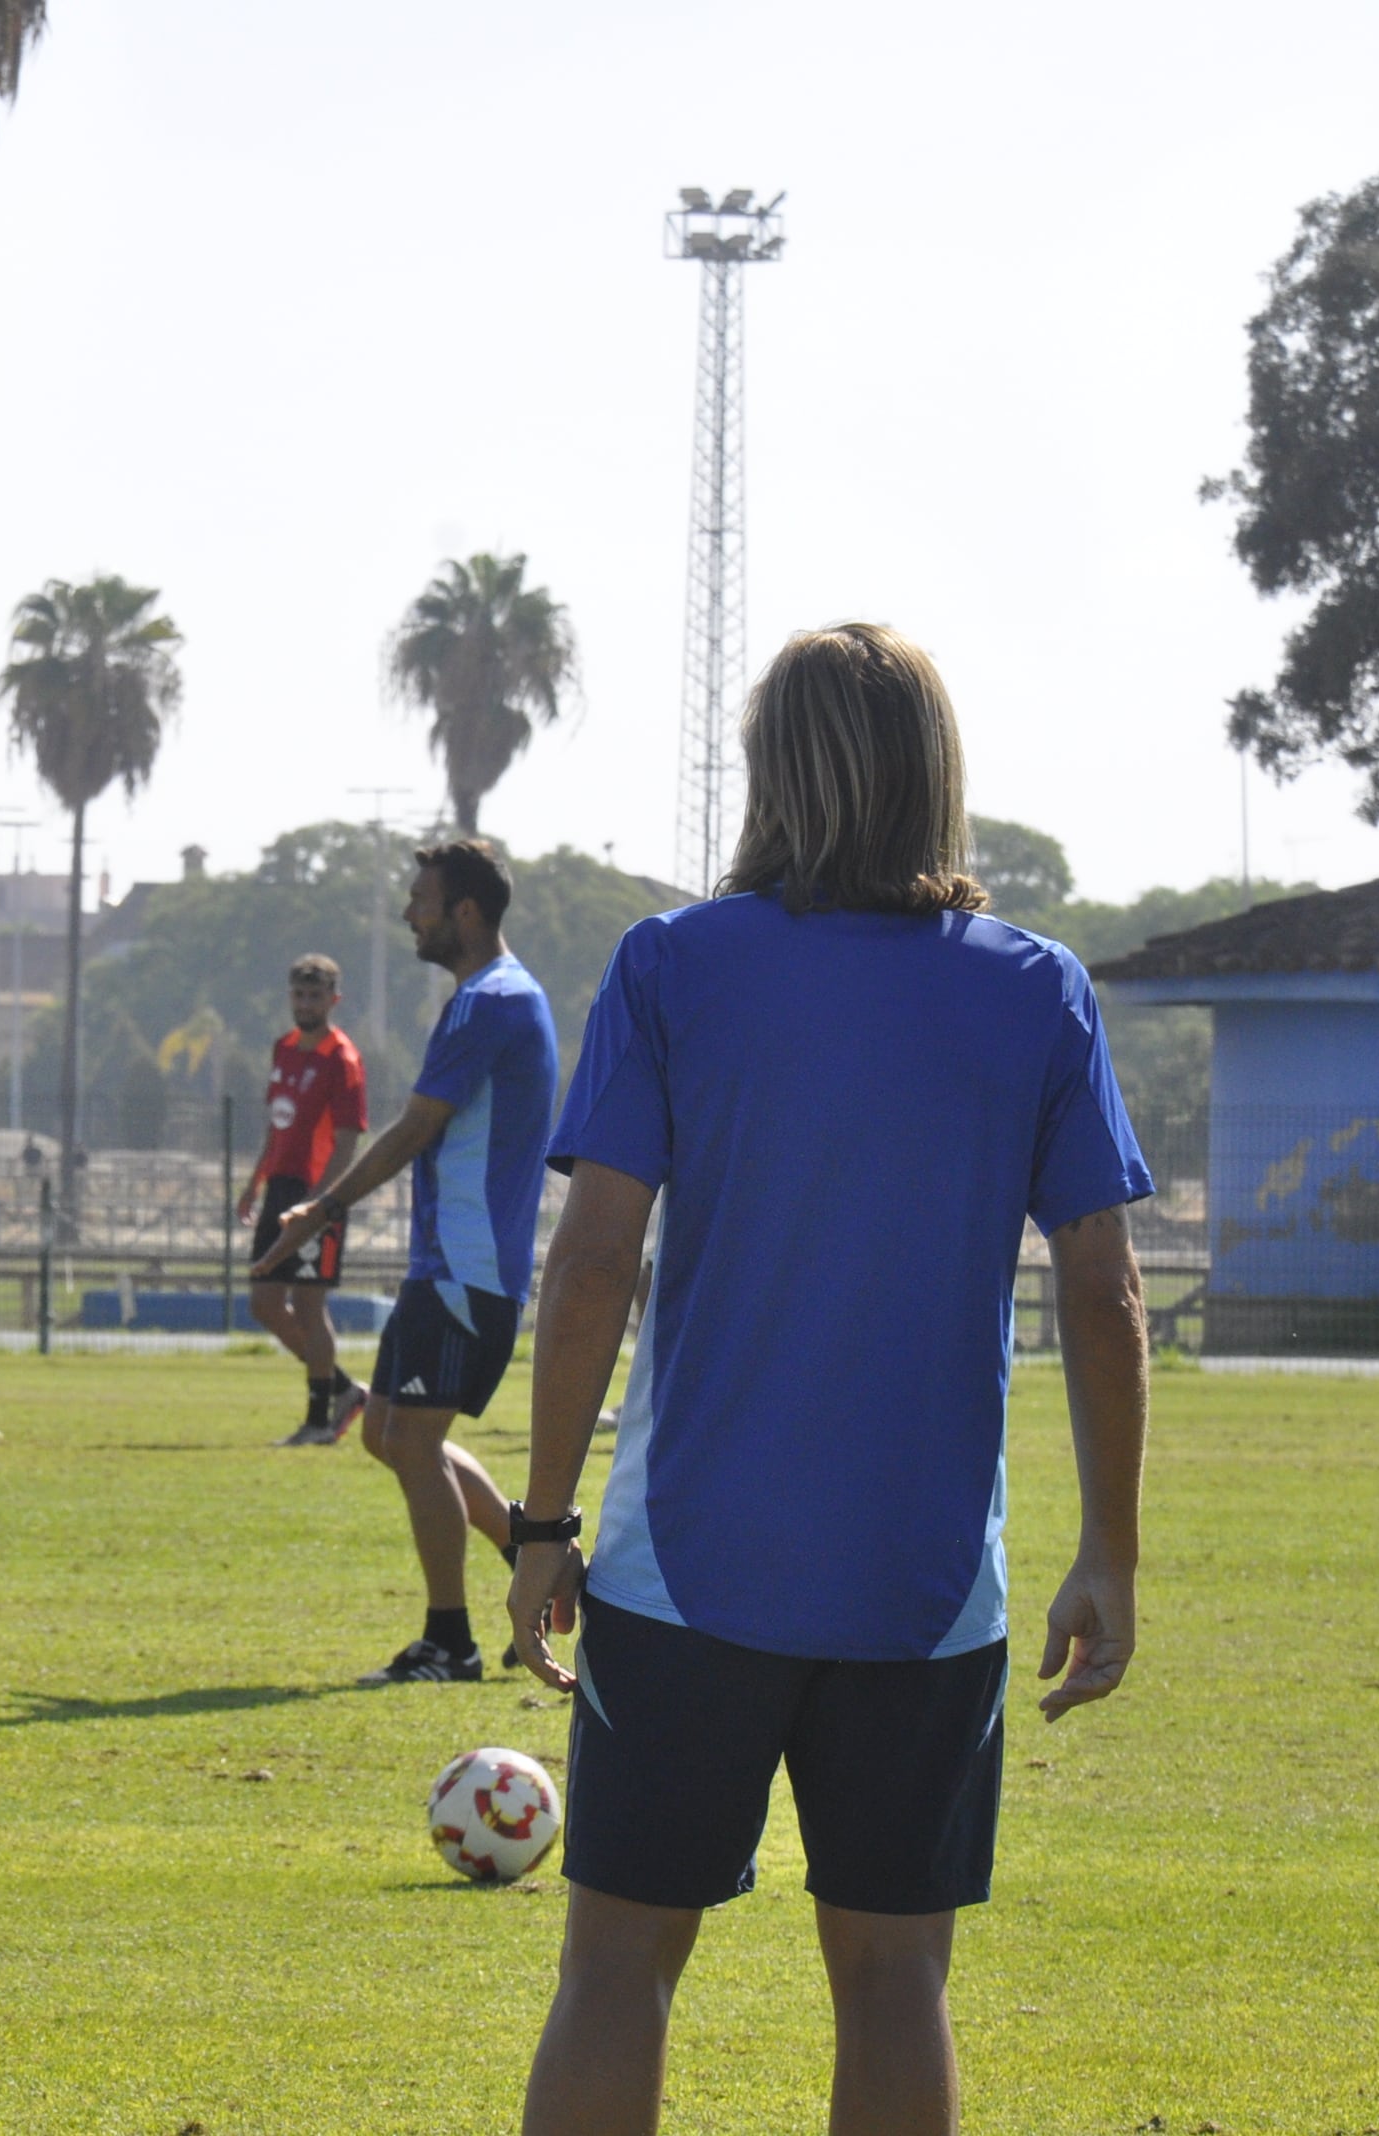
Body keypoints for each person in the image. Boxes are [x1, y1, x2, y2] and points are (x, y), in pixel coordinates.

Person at [503, 624, 1155, 2136]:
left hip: (685, 1576)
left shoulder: (671, 965)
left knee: (615, 1966)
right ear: (940, 776)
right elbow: (1108, 1288)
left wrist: (543, 1521)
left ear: (769, 774)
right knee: (894, 1980)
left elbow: (592, 1263)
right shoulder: (1037, 990)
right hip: (923, 1588)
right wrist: (1109, 1551)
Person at [257, 839, 557, 1685]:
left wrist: (323, 1209)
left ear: (464, 911)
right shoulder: (497, 996)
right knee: (388, 1433)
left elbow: (416, 1127)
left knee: (412, 1439)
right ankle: (535, 1566)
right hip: (451, 1267)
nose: (408, 913)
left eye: (420, 899)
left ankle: (450, 1642)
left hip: (468, 1270)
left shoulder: (488, 1003)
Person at [241, 953, 371, 1446]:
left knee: (309, 1305)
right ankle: (342, 1389)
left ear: (334, 1000)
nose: (306, 1002)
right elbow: (276, 1126)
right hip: (280, 1188)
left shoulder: (342, 1058)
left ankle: (320, 1420)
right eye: (299, 994)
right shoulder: (285, 1049)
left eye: (316, 995)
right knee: (264, 1301)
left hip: (320, 1193)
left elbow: (347, 1140)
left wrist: (323, 1203)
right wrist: (255, 1182)